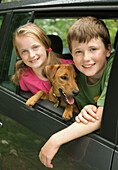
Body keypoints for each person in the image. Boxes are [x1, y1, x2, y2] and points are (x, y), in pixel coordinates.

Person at [39, 16, 113, 168]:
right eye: (79, 52)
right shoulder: (73, 75)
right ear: (71, 55)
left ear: (108, 50)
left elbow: (101, 117)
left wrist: (56, 139)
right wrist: (88, 107)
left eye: (93, 49)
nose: (86, 58)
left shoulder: (113, 69)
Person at [11, 23, 73, 94]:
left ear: (45, 45)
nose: (31, 55)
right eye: (24, 51)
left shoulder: (69, 66)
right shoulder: (23, 75)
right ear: (19, 54)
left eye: (35, 47)